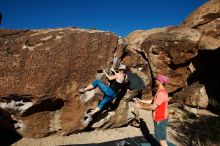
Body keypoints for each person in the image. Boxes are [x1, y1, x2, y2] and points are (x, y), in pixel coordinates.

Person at [134, 74, 170, 146]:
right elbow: (153, 101)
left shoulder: (161, 93)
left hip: (160, 119)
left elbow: (153, 107)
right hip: (159, 118)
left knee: (161, 140)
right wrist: (141, 101)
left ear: (160, 82)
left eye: (157, 79)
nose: (155, 80)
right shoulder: (160, 91)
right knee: (160, 138)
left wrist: (140, 106)